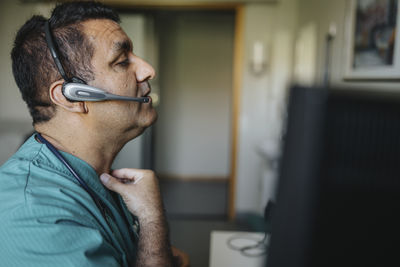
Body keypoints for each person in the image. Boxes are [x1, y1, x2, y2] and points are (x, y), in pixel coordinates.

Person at [0, 1, 189, 266]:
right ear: (73, 97)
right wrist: (152, 219)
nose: (148, 70)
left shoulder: (93, 173)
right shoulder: (34, 216)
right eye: (122, 61)